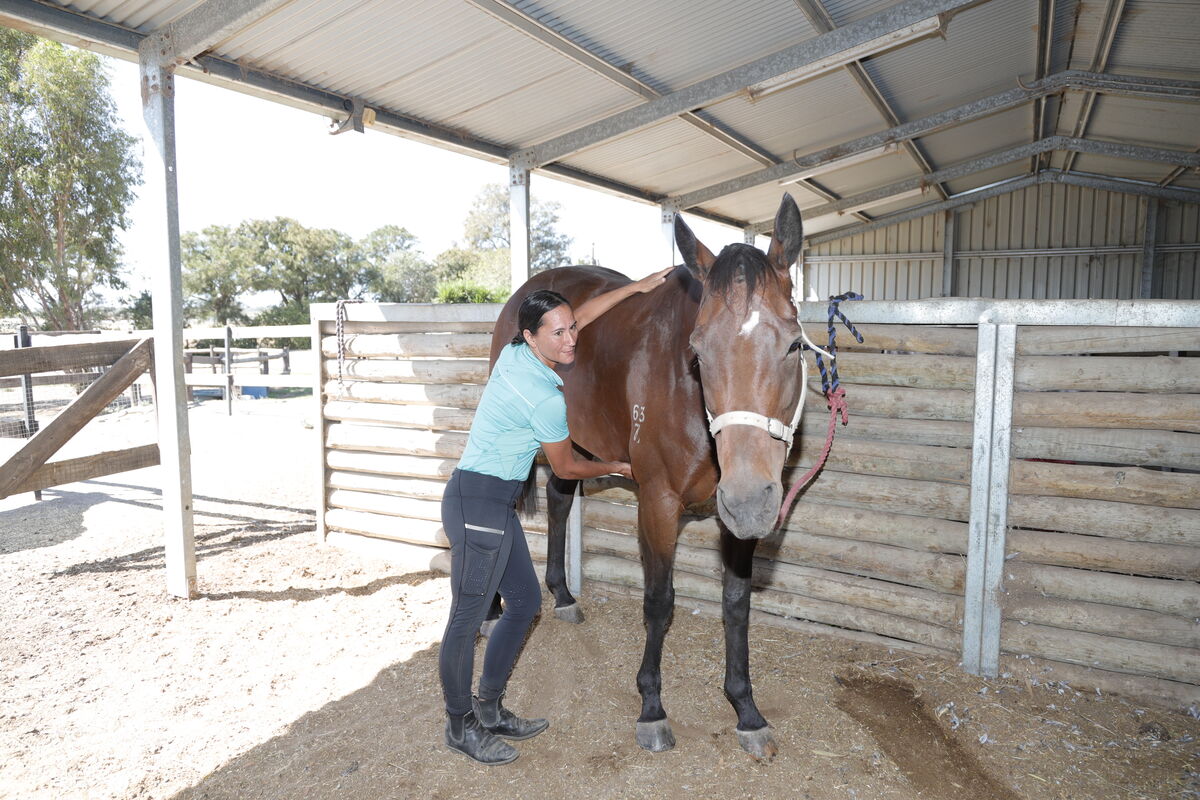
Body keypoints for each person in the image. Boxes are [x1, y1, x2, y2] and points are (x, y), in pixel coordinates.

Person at [439, 266, 673, 765]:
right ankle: (460, 727)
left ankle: (491, 707)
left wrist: (634, 288)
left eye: (571, 328)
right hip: (477, 504)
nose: (571, 339)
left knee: (524, 604)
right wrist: (617, 466)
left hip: (491, 503)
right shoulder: (546, 398)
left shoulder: (514, 353)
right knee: (465, 619)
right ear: (531, 337)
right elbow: (566, 466)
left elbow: (582, 314)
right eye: (560, 333)